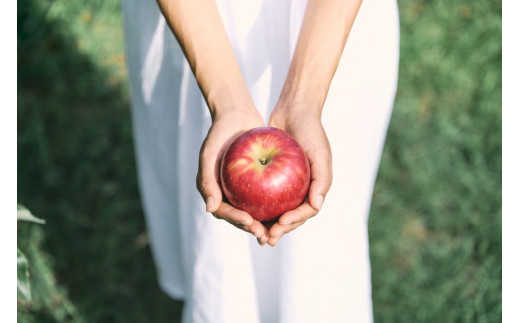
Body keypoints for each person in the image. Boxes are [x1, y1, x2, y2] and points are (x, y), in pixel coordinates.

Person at [122, 0, 399, 322]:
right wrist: (226, 101)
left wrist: (305, 100)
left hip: (330, 23)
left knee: (322, 246)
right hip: (195, 18)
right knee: (214, 244)